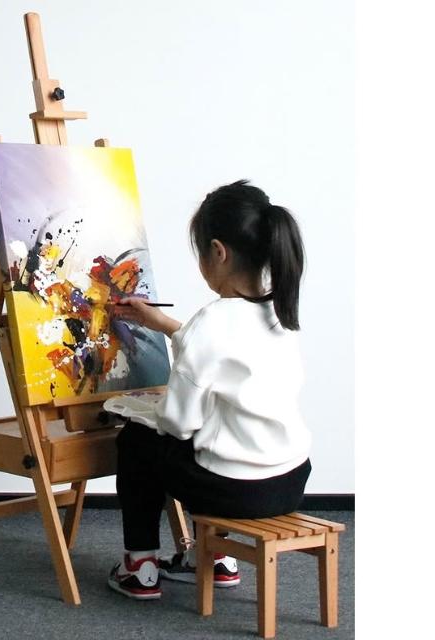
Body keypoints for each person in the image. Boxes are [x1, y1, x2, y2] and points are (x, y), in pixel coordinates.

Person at [106, 179, 312, 600]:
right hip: (290, 480)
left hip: (236, 491)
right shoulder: (280, 312)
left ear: (218, 252)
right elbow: (221, 358)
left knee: (138, 441)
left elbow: (178, 424)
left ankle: (140, 566)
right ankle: (217, 559)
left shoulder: (212, 322)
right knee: (212, 436)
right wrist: (164, 325)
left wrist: (140, 410)